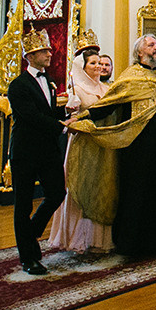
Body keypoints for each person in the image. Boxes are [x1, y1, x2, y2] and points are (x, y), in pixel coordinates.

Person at [65, 34, 156, 258]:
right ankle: (133, 245)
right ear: (140, 52)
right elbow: (109, 104)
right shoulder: (130, 77)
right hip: (137, 148)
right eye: (151, 45)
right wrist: (83, 118)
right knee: (137, 192)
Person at [7, 29, 67, 275]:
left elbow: (49, 112)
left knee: (57, 193)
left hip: (48, 149)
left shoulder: (50, 81)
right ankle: (28, 258)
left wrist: (67, 112)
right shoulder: (18, 86)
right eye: (44, 51)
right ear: (30, 56)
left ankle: (29, 235)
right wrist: (62, 127)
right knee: (23, 204)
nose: (50, 54)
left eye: (49, 50)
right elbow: (31, 116)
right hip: (25, 151)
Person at [48, 39, 112, 253]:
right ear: (82, 67)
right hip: (83, 145)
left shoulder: (106, 88)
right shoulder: (77, 90)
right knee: (81, 188)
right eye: (93, 63)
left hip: (103, 145)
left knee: (101, 187)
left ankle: (100, 238)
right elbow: (71, 119)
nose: (98, 67)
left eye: (100, 63)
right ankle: (79, 237)